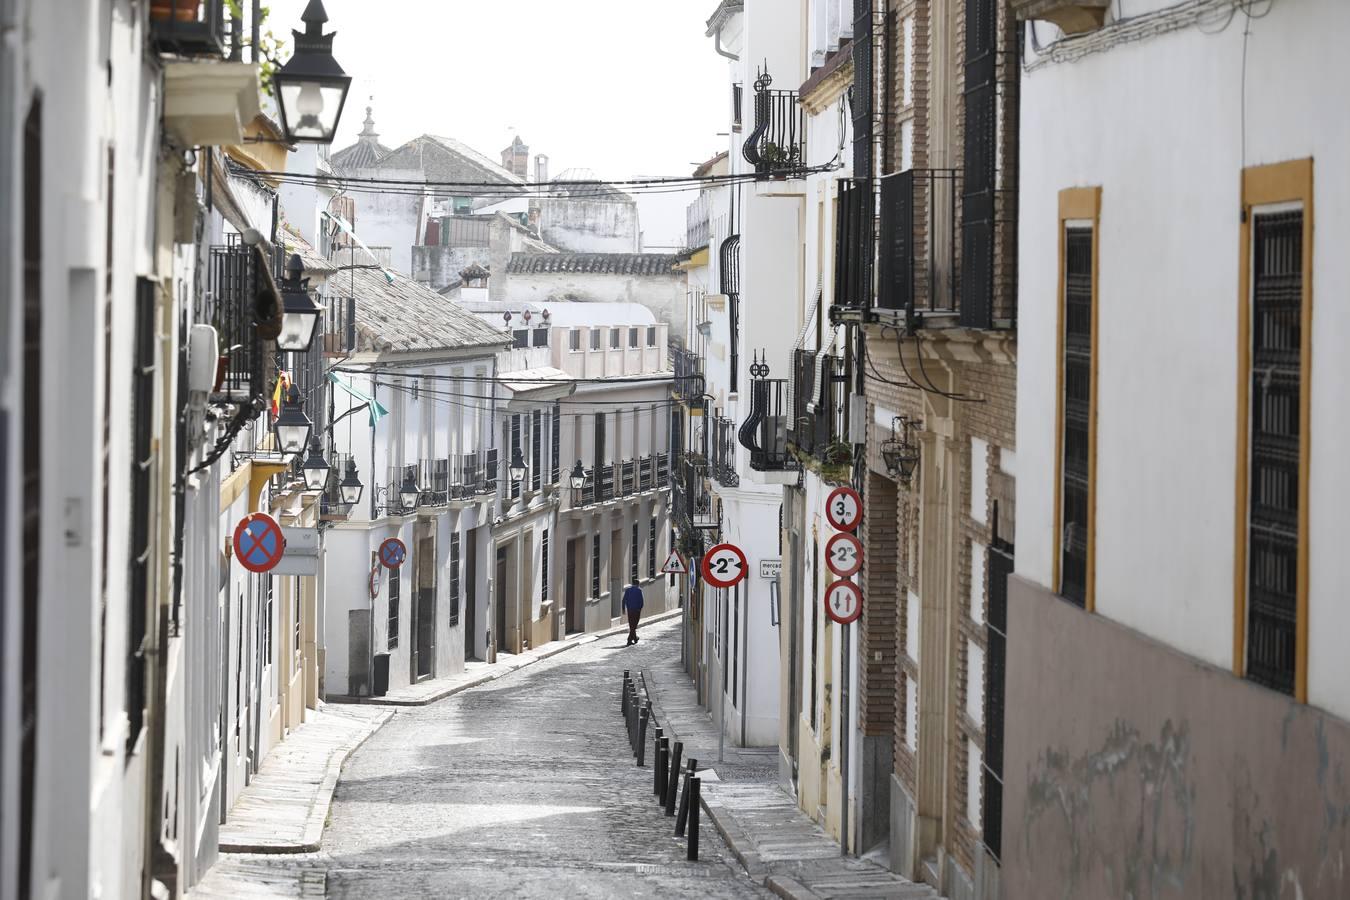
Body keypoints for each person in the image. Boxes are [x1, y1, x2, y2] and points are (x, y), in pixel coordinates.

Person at [622, 580, 645, 645]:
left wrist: (623, 609)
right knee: (634, 625)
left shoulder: (628, 590)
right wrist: (639, 609)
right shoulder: (639, 590)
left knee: (631, 624)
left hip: (630, 610)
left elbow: (623, 600)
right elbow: (641, 602)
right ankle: (629, 639)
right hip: (636, 610)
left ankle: (635, 638)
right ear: (638, 584)